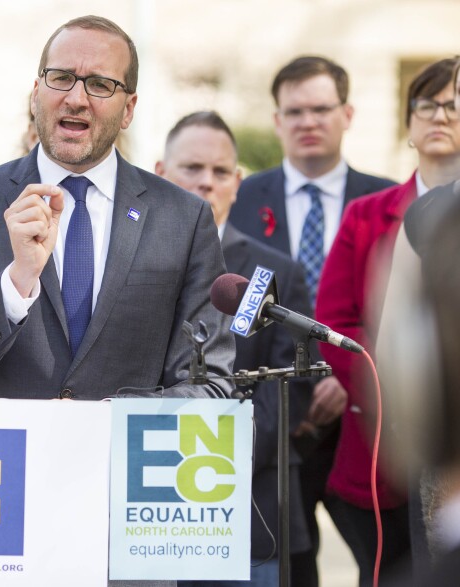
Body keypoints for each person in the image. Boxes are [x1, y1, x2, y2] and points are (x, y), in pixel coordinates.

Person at [0, 16, 234, 402]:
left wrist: (102, 421)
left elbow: (209, 383)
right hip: (5, 457)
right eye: (61, 77)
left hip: (122, 457)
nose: (76, 98)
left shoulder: (184, 219)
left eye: (100, 84)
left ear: (128, 109)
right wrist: (17, 280)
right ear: (37, 92)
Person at [228, 55, 396, 587]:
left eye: (321, 108)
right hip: (279, 423)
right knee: (290, 567)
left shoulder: (386, 200)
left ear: (347, 113)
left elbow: (401, 308)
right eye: (294, 111)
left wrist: (352, 380)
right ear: (277, 120)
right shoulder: (240, 196)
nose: (307, 121)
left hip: (367, 417)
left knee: (384, 563)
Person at [317, 58, 460, 586]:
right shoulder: (368, 213)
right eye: (427, 105)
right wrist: (399, 388)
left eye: (453, 104)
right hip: (380, 439)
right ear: (408, 123)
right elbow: (334, 323)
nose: (440, 115)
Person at [157, 111, 312, 586]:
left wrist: (215, 465)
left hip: (250, 512)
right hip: (147, 507)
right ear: (160, 173)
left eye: (221, 172)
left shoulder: (277, 272)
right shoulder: (134, 265)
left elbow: (291, 390)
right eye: (192, 168)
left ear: (238, 182)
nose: (207, 182)